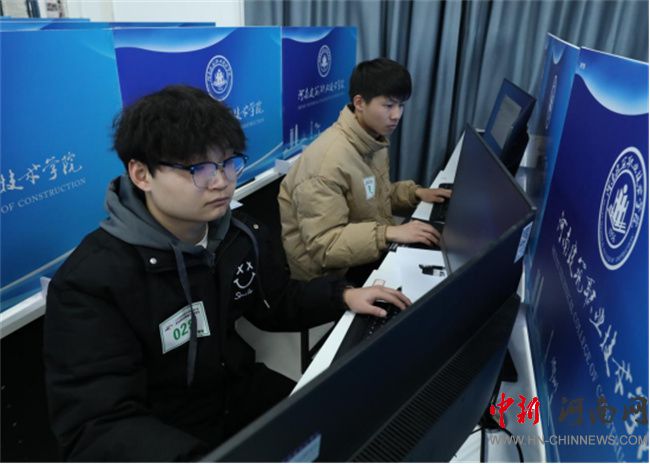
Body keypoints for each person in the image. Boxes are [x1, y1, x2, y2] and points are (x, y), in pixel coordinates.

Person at [43, 85, 411, 461]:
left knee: (349, 424)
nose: (221, 181)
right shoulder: (91, 282)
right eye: (198, 169)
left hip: (239, 395)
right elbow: (97, 425)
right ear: (142, 174)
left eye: (228, 163)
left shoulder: (237, 234)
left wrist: (342, 294)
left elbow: (275, 301)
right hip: (168, 433)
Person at [278, 58, 452, 281]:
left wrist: (415, 194)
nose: (397, 115)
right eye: (388, 105)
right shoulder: (326, 164)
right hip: (331, 275)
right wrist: (388, 233)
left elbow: (371, 196)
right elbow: (326, 246)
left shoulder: (371, 139)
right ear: (359, 103)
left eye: (401, 105)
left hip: (361, 252)